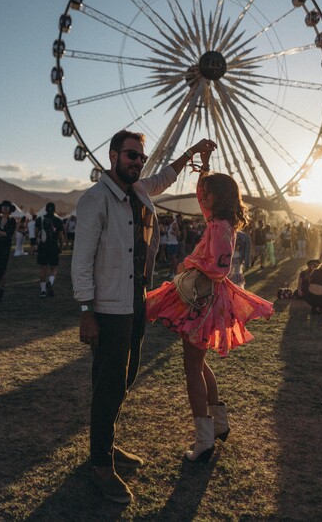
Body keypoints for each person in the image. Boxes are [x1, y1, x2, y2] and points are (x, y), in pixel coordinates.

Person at [72, 131, 216, 504]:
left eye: (140, 157)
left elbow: (164, 177)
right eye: (131, 155)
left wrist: (191, 154)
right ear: (113, 155)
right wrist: (86, 311)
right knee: (108, 383)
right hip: (107, 307)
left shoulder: (138, 192)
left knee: (126, 376)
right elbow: (81, 260)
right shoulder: (96, 200)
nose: (137, 162)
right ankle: (101, 465)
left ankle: (105, 444)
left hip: (135, 300)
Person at [146, 151, 274, 465]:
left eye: (208, 192)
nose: (203, 195)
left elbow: (219, 267)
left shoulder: (219, 227)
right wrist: (202, 168)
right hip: (209, 301)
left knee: (192, 369)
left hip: (202, 302)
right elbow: (204, 201)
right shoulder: (222, 221)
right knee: (199, 364)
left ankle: (204, 441)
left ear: (219, 196)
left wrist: (189, 265)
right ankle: (219, 423)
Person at [35, 202, 65, 297]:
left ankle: (43, 291)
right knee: (54, 268)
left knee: (43, 268)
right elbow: (61, 236)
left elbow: (35, 233)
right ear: (54, 210)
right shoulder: (58, 220)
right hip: (53, 246)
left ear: (46, 209)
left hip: (43, 246)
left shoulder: (40, 219)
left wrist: (38, 242)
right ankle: (50, 283)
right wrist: (61, 246)